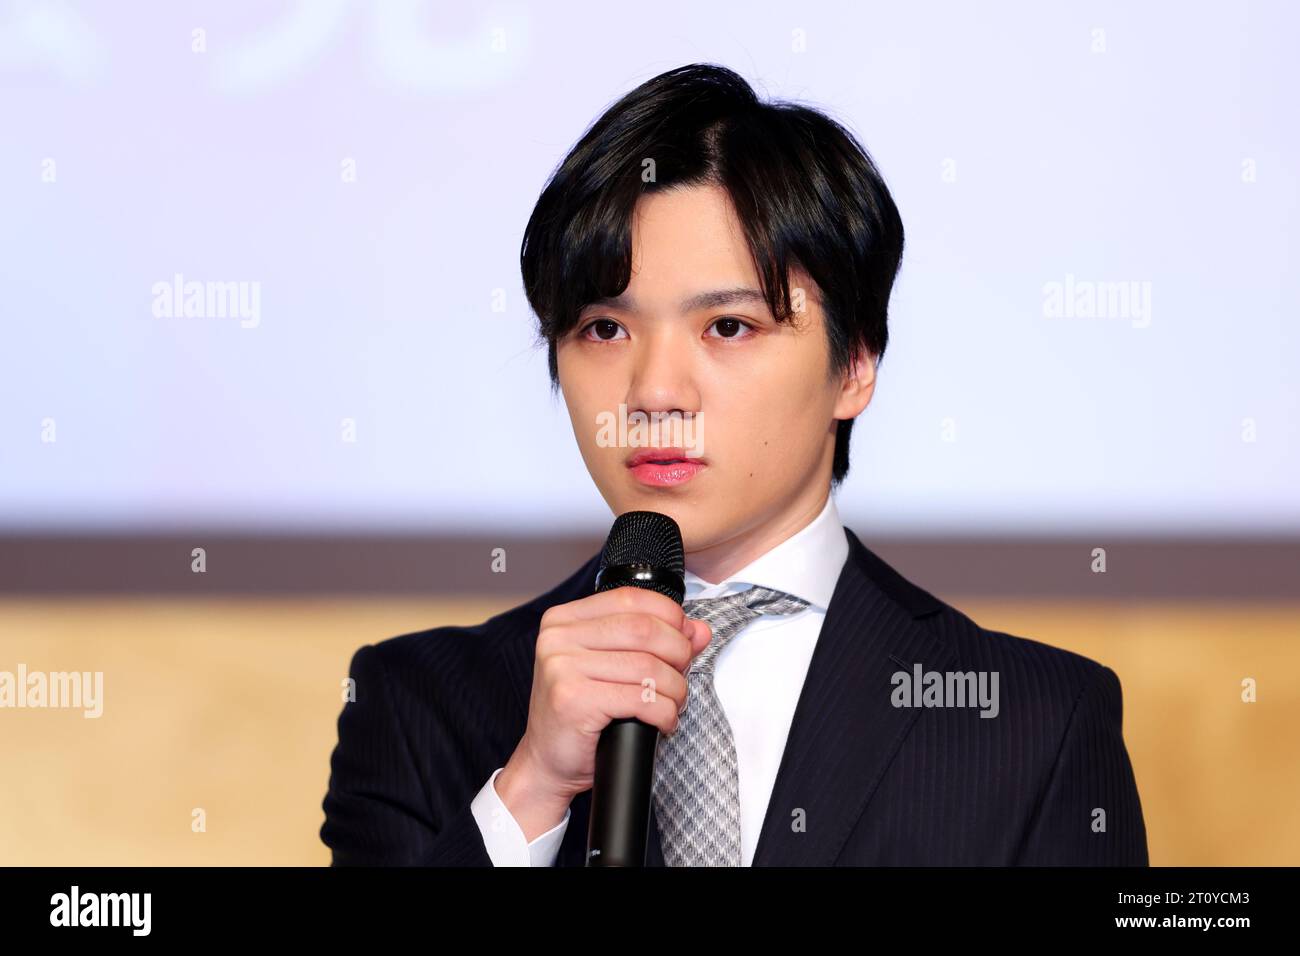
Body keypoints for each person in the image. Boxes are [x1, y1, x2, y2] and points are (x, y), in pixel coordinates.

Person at [320, 63, 1148, 866]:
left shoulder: (1034, 721)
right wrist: (532, 791)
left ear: (854, 364)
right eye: (605, 330)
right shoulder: (417, 704)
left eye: (727, 327)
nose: (653, 392)